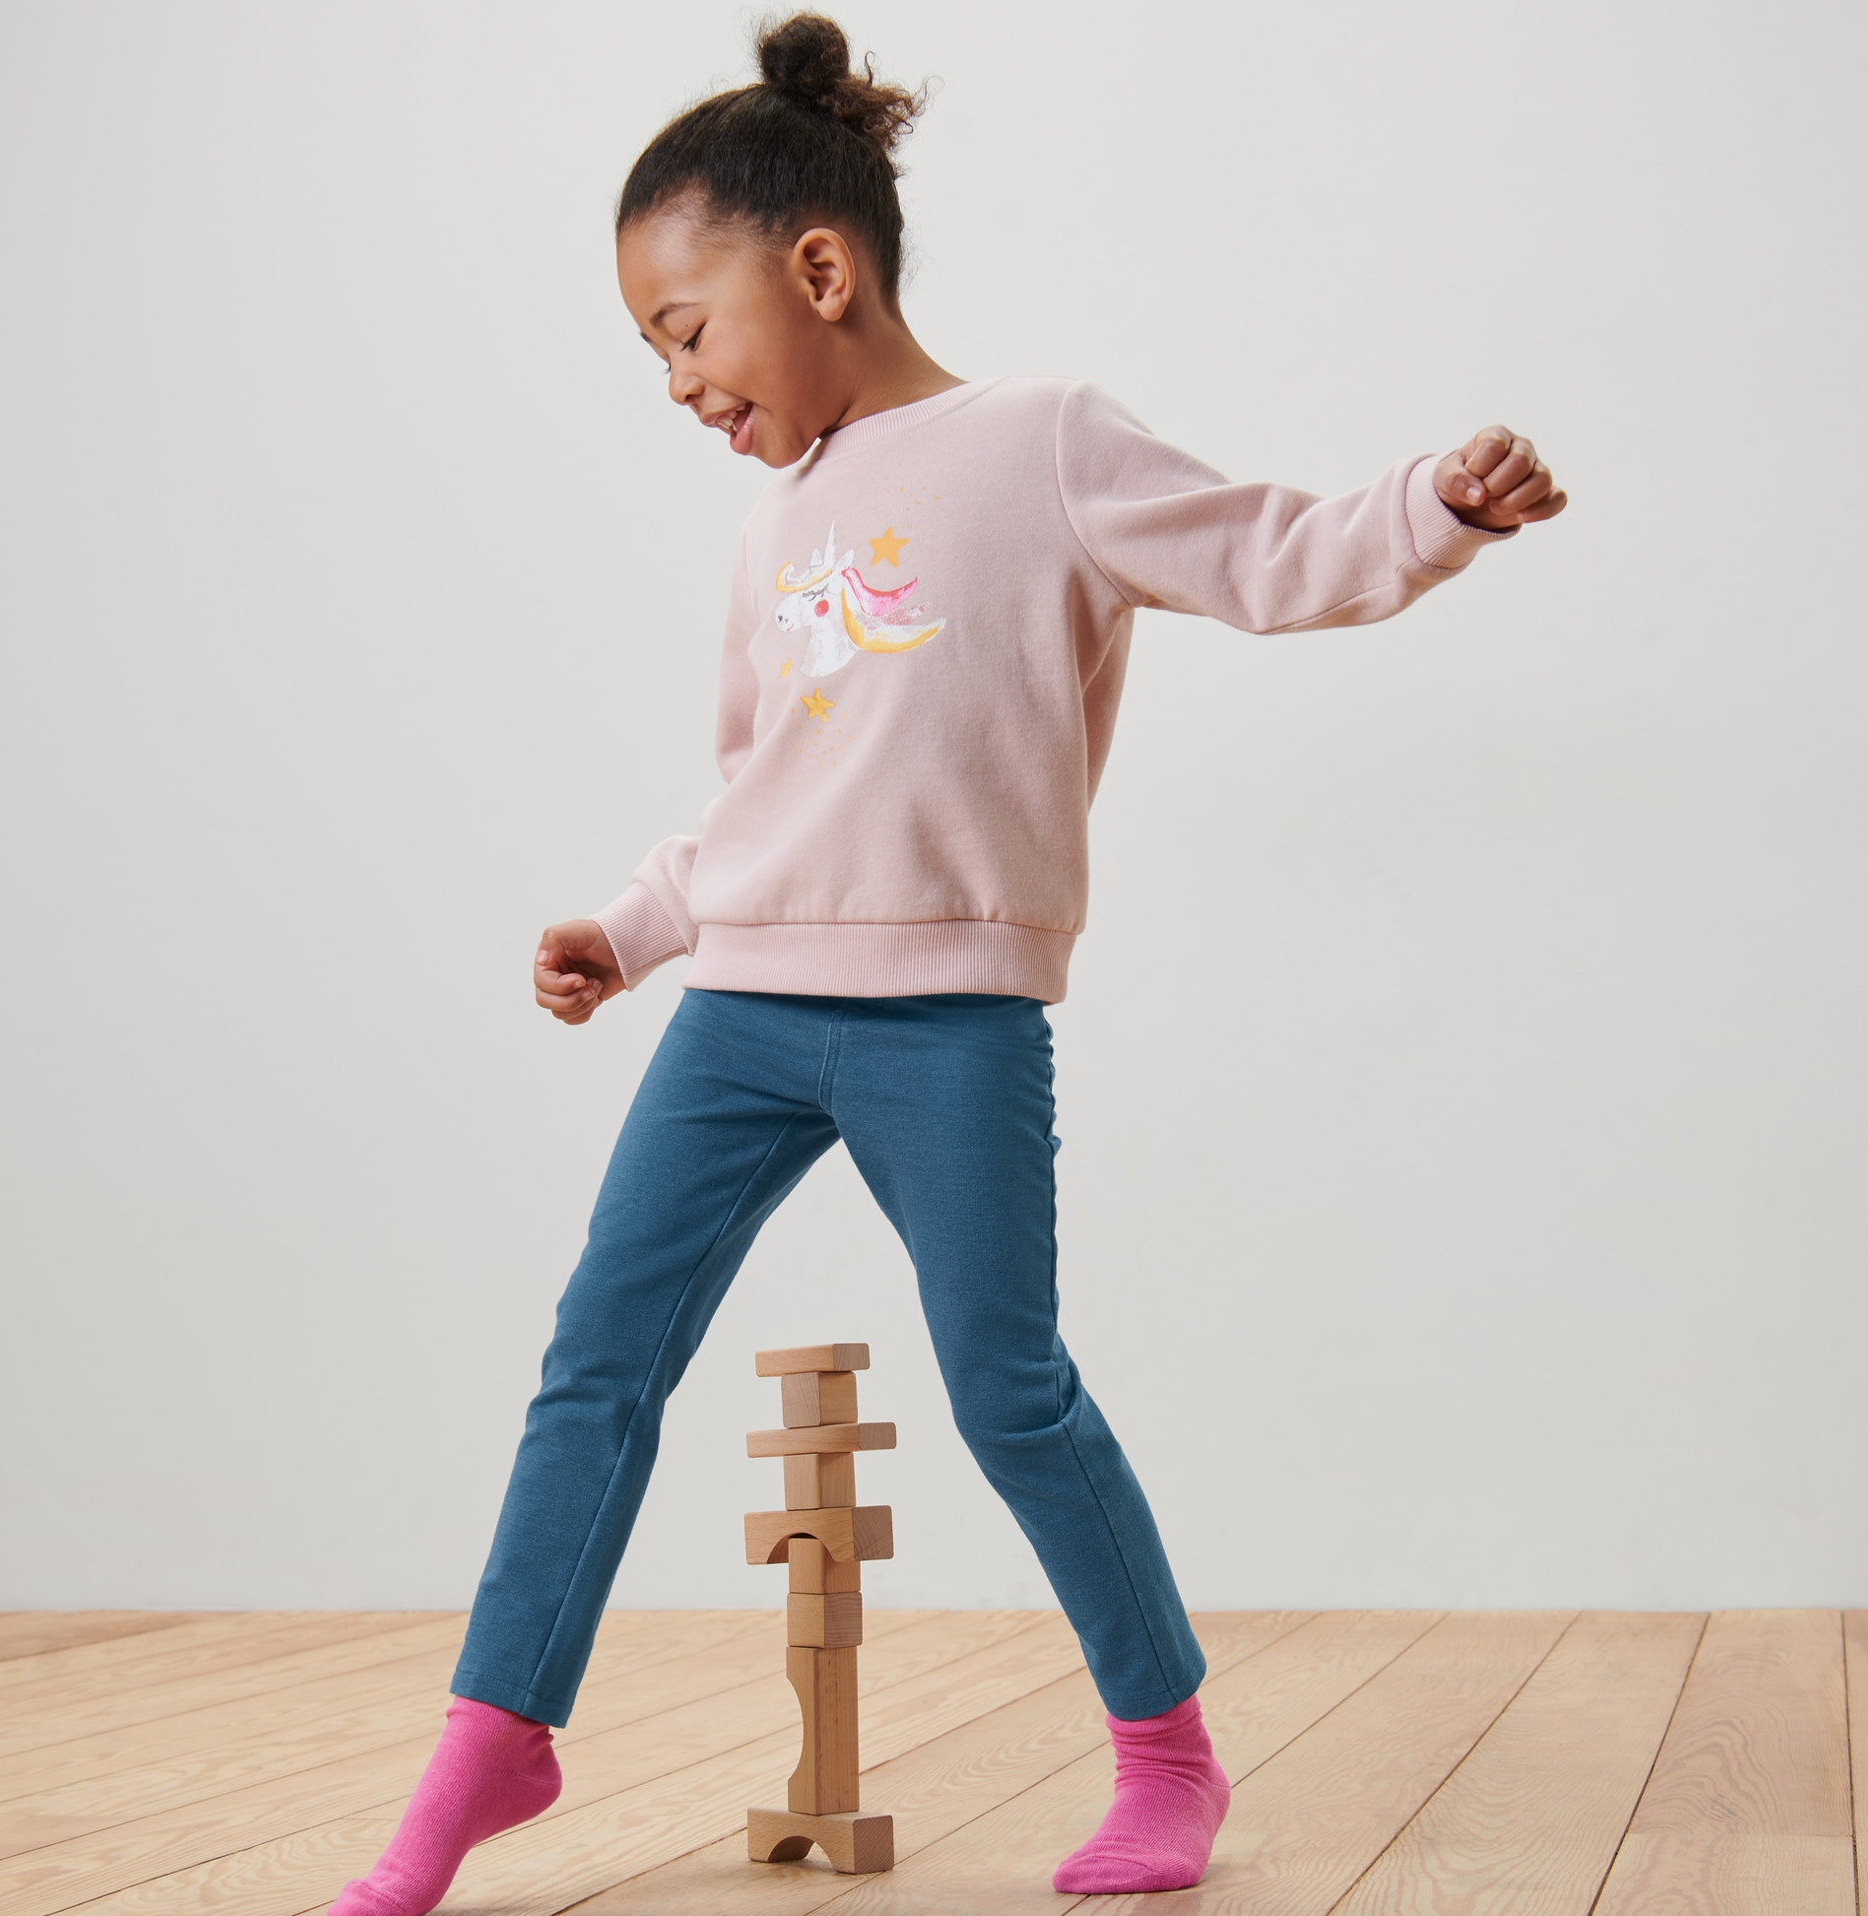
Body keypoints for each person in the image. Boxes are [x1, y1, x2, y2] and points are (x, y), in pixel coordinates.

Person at [330, 13, 1565, 1911]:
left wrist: (1432, 510)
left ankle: (1166, 1755)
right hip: (742, 1011)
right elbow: (763, 796)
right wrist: (640, 929)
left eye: (683, 330)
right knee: (597, 1357)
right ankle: (495, 1739)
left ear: (816, 268)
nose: (671, 381)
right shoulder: (770, 529)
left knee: (1007, 1388)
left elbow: (1269, 554)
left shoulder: (1040, 442)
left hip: (949, 1025)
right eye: (648, 350)